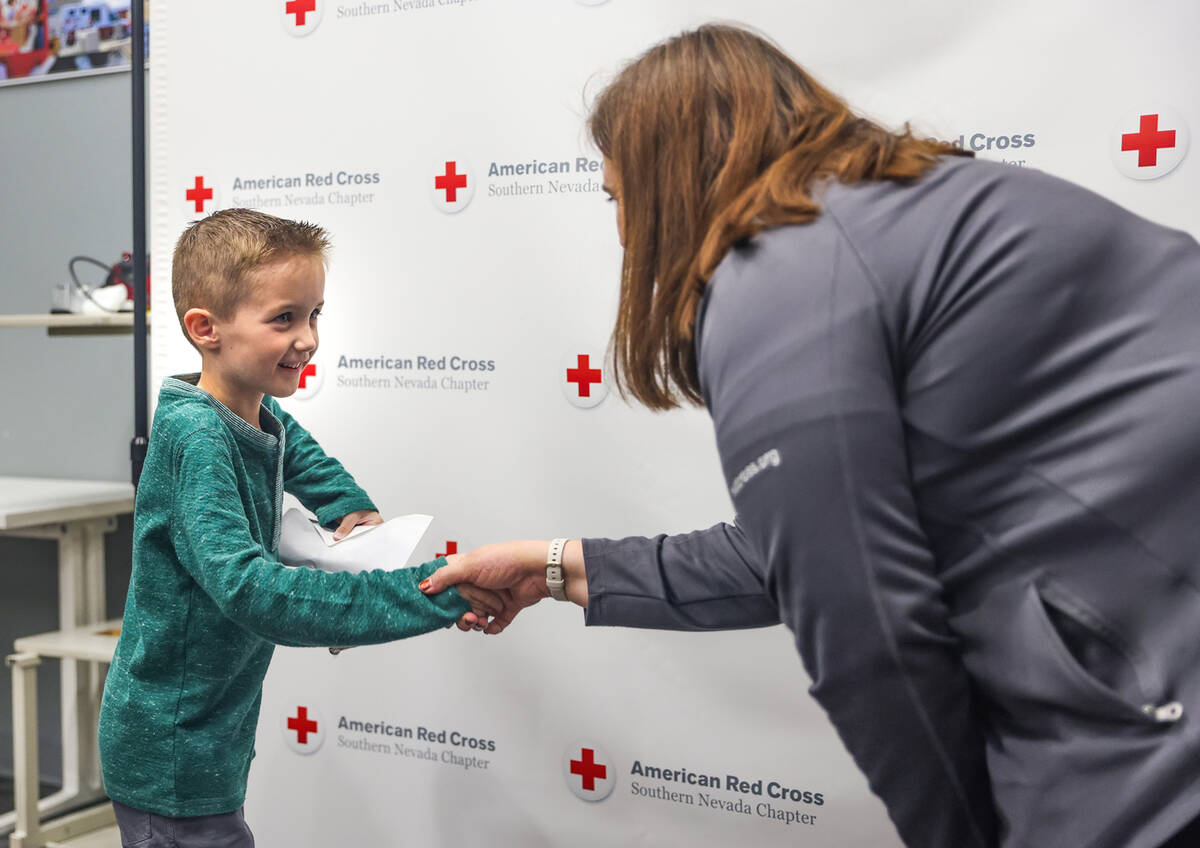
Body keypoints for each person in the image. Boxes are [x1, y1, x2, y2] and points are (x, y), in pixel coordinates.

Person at [420, 23, 1200, 848]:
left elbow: (866, 631)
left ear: (669, 179)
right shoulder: (958, 201)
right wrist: (555, 566)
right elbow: (812, 549)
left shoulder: (782, 271)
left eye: (619, 198)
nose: (623, 234)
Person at [98, 209, 501, 848]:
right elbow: (252, 592)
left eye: (314, 315)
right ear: (206, 329)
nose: (308, 338)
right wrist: (437, 591)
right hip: (170, 752)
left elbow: (295, 451)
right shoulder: (198, 437)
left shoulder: (248, 410)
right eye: (284, 318)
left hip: (206, 740)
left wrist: (350, 509)